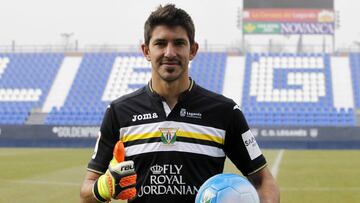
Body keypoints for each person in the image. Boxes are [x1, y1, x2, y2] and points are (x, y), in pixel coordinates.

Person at [80, 4, 280, 203]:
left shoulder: (225, 112)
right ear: (146, 50)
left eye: (179, 43)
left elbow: (263, 181)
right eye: (160, 43)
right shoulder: (119, 112)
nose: (169, 52)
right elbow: (86, 192)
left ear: (192, 50)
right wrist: (103, 186)